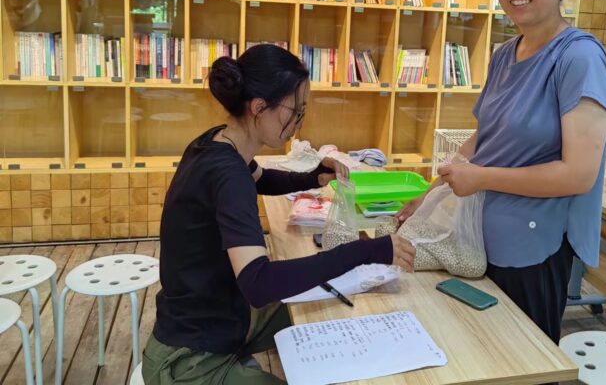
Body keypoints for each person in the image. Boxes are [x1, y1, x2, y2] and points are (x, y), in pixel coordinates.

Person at [143, 44, 415, 384]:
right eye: (295, 112)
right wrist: (366, 250)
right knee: (322, 310)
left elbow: (262, 178)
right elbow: (258, 283)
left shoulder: (216, 142)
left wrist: (315, 176)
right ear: (259, 108)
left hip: (222, 318)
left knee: (326, 314)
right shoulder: (227, 175)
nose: (298, 124)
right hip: (190, 358)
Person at [398, 0, 606, 344]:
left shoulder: (579, 58)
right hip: (479, 238)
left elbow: (578, 175)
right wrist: (433, 189)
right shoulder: (504, 53)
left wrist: (481, 178)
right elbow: (486, 135)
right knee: (476, 350)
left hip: (533, 249)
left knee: (523, 358)